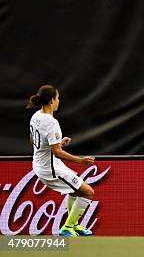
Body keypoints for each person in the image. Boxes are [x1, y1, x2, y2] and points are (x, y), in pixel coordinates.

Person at [27, 85, 96, 237]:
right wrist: (80, 161)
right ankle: (67, 227)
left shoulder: (36, 116)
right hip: (50, 168)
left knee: (74, 190)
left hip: (41, 164)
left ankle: (75, 225)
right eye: (57, 98)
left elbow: (33, 140)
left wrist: (56, 143)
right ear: (52, 100)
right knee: (88, 192)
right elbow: (57, 153)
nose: (59, 101)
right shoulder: (51, 123)